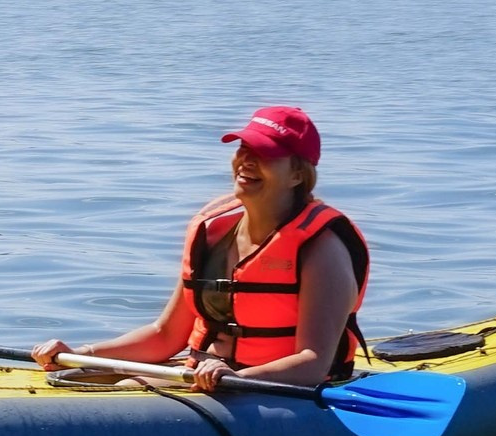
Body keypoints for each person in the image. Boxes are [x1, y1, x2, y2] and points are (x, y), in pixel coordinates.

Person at [32, 106, 368, 394]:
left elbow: (312, 362)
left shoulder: (322, 250)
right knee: (104, 381)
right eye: (243, 149)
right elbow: (165, 336)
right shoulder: (213, 234)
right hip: (207, 375)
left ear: (297, 175)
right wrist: (81, 353)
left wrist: (236, 378)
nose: (246, 160)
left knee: (129, 389)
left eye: (264, 153)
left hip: (278, 391)